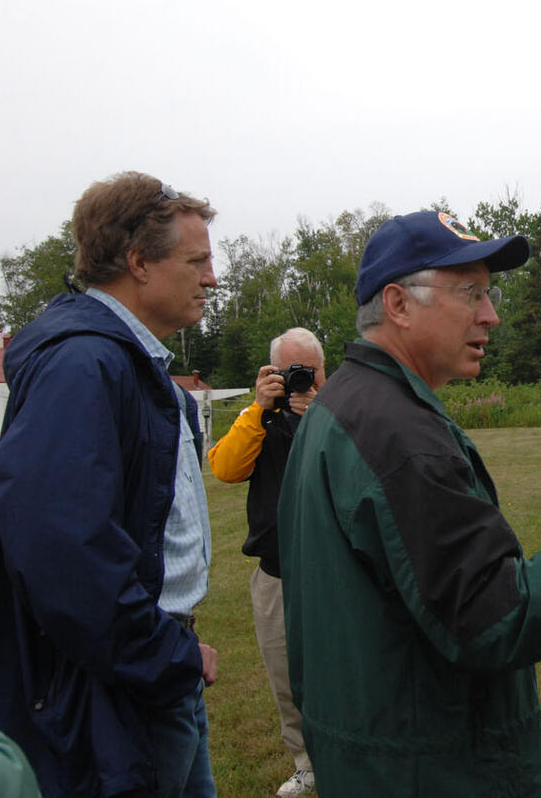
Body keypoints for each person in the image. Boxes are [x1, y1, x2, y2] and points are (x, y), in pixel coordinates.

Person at [278, 210, 541, 798]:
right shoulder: (399, 437)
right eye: (471, 292)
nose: (491, 314)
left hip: (372, 754)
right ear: (398, 304)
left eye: (490, 292)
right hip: (433, 769)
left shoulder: (339, 408)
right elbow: (497, 617)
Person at [0, 171, 220, 798]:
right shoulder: (85, 364)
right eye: (196, 261)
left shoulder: (125, 364)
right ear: (139, 262)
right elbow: (63, 548)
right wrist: (167, 655)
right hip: (121, 687)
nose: (212, 279)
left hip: (148, 668)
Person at [207, 328, 326, 797]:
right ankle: (306, 762)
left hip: (334, 569)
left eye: (309, 370)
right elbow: (225, 469)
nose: (300, 379)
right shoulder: (256, 417)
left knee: (347, 667)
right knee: (285, 676)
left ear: (323, 368)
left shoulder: (344, 410)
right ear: (271, 372)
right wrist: (260, 409)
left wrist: (319, 417)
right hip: (276, 571)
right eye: (289, 370)